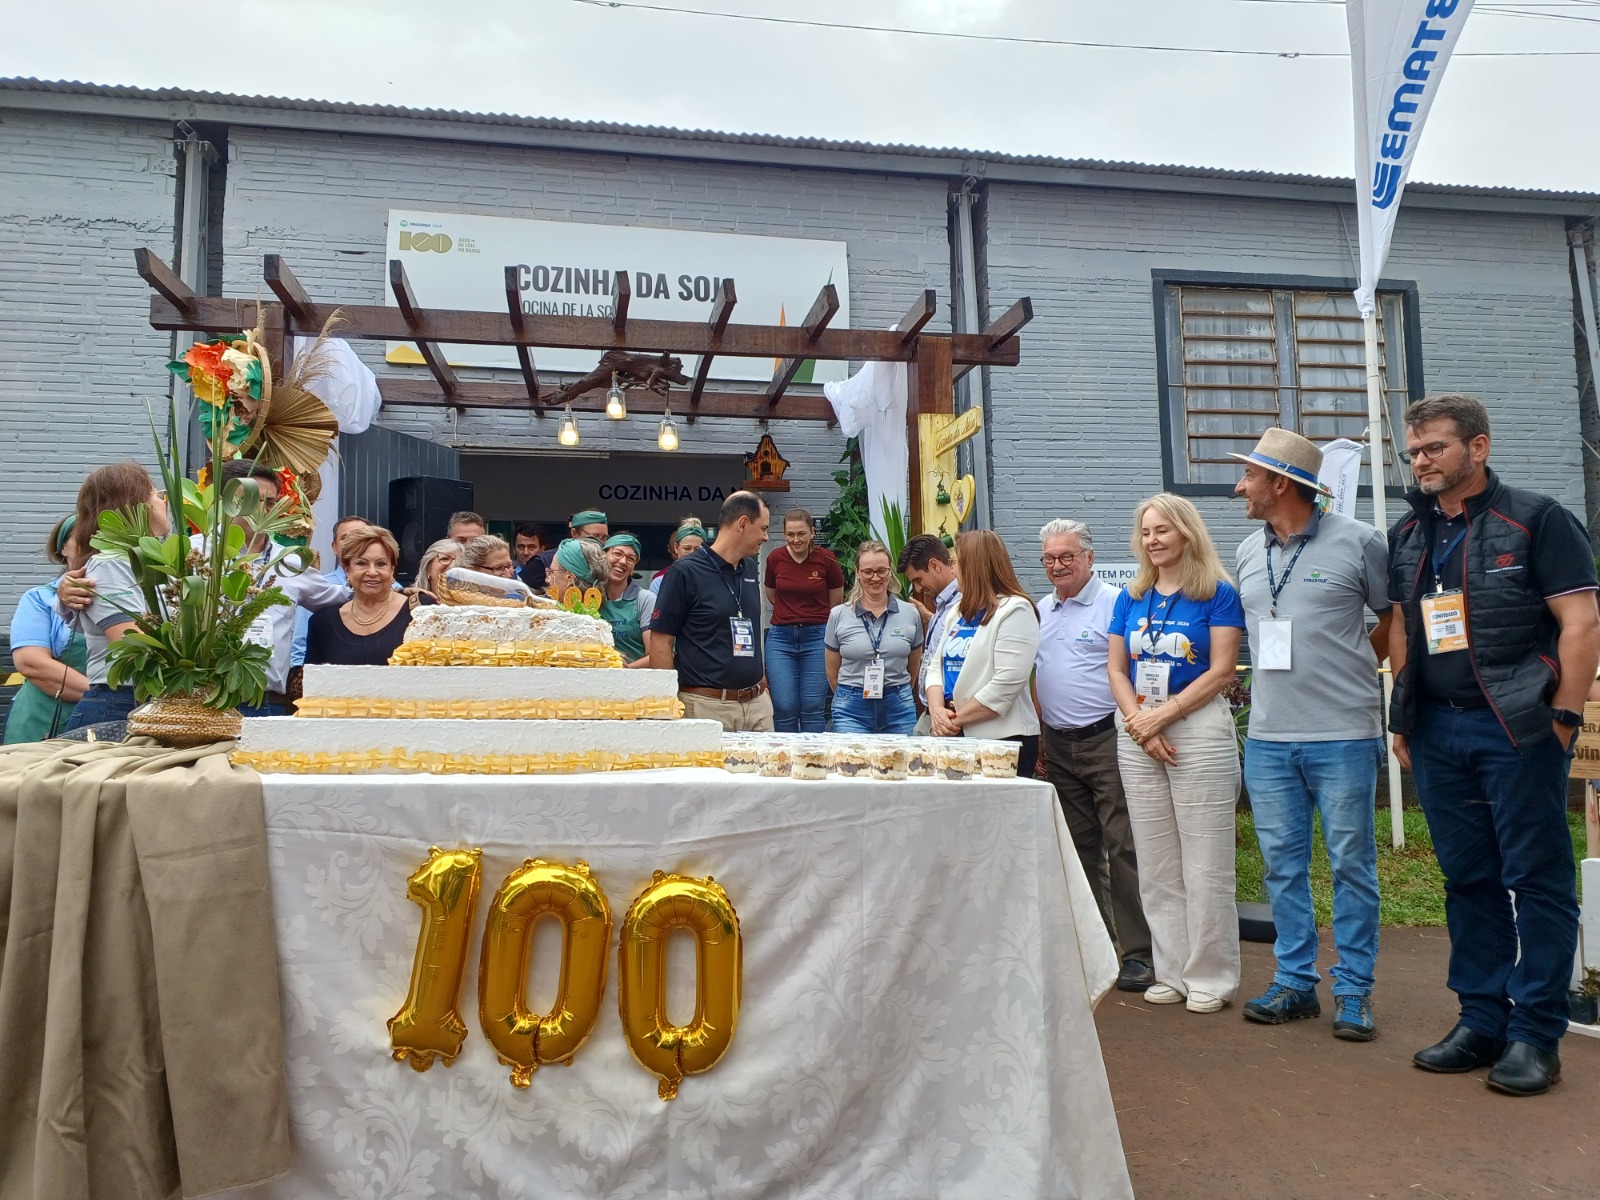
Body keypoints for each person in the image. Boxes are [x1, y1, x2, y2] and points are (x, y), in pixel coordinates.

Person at [1387, 394, 1600, 1096]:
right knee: (1467, 876)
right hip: (1438, 728)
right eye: (1413, 451)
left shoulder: (1537, 519)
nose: (1421, 461)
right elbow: (1403, 631)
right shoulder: (1409, 534)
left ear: (1477, 448)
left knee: (1536, 877)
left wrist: (1564, 716)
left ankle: (1536, 1032)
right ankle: (1481, 1018)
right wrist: (1402, 717)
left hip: (1518, 727)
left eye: (1435, 448)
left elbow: (1581, 621)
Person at [1230, 429, 1392, 1041]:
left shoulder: (1361, 542)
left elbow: (1391, 620)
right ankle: (1296, 983)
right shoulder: (1248, 550)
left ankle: (1353, 991)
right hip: (1269, 739)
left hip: (1343, 733)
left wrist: (1350, 664)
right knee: (1281, 868)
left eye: (1249, 477)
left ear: (1280, 484)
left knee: (1352, 865)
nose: (1239, 486)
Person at [1108, 493, 1245, 1015]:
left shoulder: (1217, 593)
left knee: (1206, 862)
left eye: (1162, 530)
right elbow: (1117, 669)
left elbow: (1222, 670)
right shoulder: (1131, 596)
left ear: (1187, 531)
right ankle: (1172, 971)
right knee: (1157, 861)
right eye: (1146, 532)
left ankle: (1211, 975)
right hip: (1139, 730)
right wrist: (1141, 726)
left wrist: (1162, 717)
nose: (1153, 540)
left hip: (1196, 728)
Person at [1033, 518, 1155, 994]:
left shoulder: (1114, 603)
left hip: (1109, 738)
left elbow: (1133, 669)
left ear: (1089, 557)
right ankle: (1098, 944)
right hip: (1059, 743)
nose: (1057, 565)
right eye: (1049, 558)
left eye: (1066, 556)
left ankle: (1139, 952)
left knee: (1123, 843)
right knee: (1079, 848)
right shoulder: (1041, 609)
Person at [648, 491, 773, 732]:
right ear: (743, 524)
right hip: (707, 707)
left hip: (757, 706)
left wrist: (762, 686)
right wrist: (668, 703)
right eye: (763, 528)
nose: (766, 537)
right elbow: (661, 640)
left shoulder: (749, 568)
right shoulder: (685, 572)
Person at [61, 462, 171, 731]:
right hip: (122, 701)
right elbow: (131, 642)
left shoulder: (158, 560)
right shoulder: (110, 563)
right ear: (137, 505)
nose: (163, 502)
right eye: (156, 494)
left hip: (149, 698)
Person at [925, 529, 1041, 774]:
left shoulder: (1015, 610)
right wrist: (936, 711)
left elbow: (1005, 683)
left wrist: (954, 719)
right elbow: (935, 666)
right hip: (955, 734)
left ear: (975, 566)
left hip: (1002, 742)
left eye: (955, 562)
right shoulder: (958, 611)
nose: (953, 571)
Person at [4, 516, 89, 742]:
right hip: (44, 721)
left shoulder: (130, 601)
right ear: (63, 548)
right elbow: (31, 662)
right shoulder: (40, 599)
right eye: (84, 538)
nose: (94, 547)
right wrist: (105, 698)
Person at [825, 540, 922, 735]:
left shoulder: (910, 613)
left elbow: (914, 665)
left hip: (898, 706)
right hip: (851, 708)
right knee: (852, 763)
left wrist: (897, 691)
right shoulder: (838, 615)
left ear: (890, 571)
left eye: (881, 571)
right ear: (858, 572)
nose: (875, 578)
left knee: (901, 764)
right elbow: (832, 671)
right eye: (868, 572)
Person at [762, 509, 843, 733]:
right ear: (784, 534)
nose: (796, 539)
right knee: (784, 706)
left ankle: (812, 761)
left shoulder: (827, 559)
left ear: (812, 533)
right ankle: (785, 761)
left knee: (812, 706)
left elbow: (835, 601)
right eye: (790, 534)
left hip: (817, 636)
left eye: (801, 534)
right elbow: (771, 593)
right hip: (781, 637)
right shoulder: (775, 558)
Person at [305, 525, 411, 666]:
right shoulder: (323, 623)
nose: (372, 572)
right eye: (362, 563)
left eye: (381, 564)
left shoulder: (420, 610)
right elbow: (312, 682)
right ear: (347, 569)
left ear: (392, 569)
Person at [899, 534, 962, 736]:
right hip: (932, 712)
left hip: (948, 716)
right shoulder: (944, 606)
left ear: (935, 565)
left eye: (918, 579)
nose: (917, 588)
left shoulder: (964, 604)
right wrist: (929, 617)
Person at [291, 513, 370, 670]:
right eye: (346, 538)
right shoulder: (317, 587)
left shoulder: (394, 591)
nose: (354, 543)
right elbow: (300, 645)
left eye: (361, 537)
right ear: (334, 547)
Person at [600, 532, 656, 667]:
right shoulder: (589, 597)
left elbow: (657, 654)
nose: (623, 562)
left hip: (635, 681)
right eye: (617, 554)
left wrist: (625, 669)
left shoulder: (645, 600)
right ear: (603, 556)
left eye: (631, 558)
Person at [526, 509, 609, 591]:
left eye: (604, 538)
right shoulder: (542, 562)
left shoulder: (608, 562)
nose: (599, 543)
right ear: (574, 533)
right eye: (594, 537)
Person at [651, 517, 707, 587]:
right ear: (676, 548)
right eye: (687, 548)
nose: (692, 553)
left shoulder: (712, 580)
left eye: (697, 549)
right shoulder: (660, 582)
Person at [408, 538, 459, 607]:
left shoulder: (474, 607)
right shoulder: (408, 602)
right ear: (428, 569)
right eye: (445, 558)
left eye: (460, 561)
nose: (453, 564)